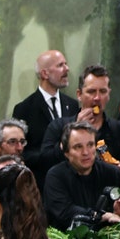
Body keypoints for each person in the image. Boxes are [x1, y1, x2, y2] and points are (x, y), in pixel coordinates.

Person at [41, 65, 120, 173]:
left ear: (109, 94)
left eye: (103, 91)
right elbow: (45, 162)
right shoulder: (58, 126)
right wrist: (72, 132)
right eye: (91, 92)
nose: (97, 98)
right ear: (79, 94)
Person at [43, 122, 120, 230]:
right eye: (78, 147)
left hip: (107, 238)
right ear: (66, 152)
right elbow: (65, 212)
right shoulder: (55, 176)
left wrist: (119, 210)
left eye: (90, 145)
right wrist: (103, 216)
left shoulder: (112, 172)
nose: (86, 152)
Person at [13, 50, 79, 189]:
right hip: (41, 183)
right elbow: (23, 152)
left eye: (66, 64)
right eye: (60, 65)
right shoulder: (24, 109)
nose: (67, 69)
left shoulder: (72, 105)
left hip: (73, 181)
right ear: (45, 74)